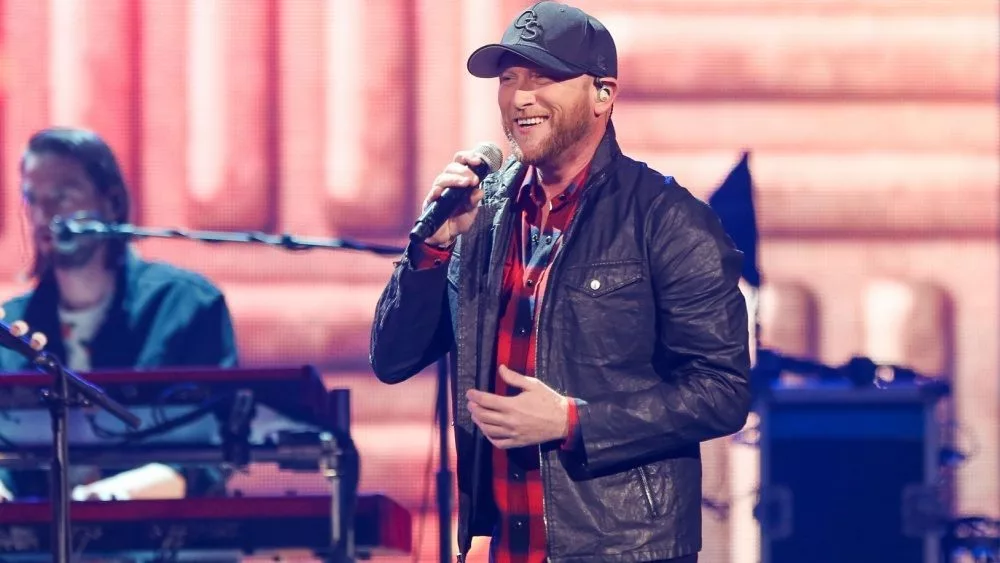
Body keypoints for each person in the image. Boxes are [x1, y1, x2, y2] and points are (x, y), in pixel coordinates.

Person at [369, 2, 752, 562]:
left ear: (603, 93)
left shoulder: (666, 219)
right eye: (509, 79)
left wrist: (575, 421)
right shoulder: (482, 213)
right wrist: (433, 245)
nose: (520, 97)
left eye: (543, 77)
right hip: (506, 544)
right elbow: (392, 357)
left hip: (624, 548)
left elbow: (722, 391)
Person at [0, 127, 238, 502]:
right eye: (33, 198)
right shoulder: (12, 330)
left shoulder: (186, 305)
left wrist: (106, 499)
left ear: (110, 203)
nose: (44, 214)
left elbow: (210, 451)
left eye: (62, 195)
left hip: (158, 544)